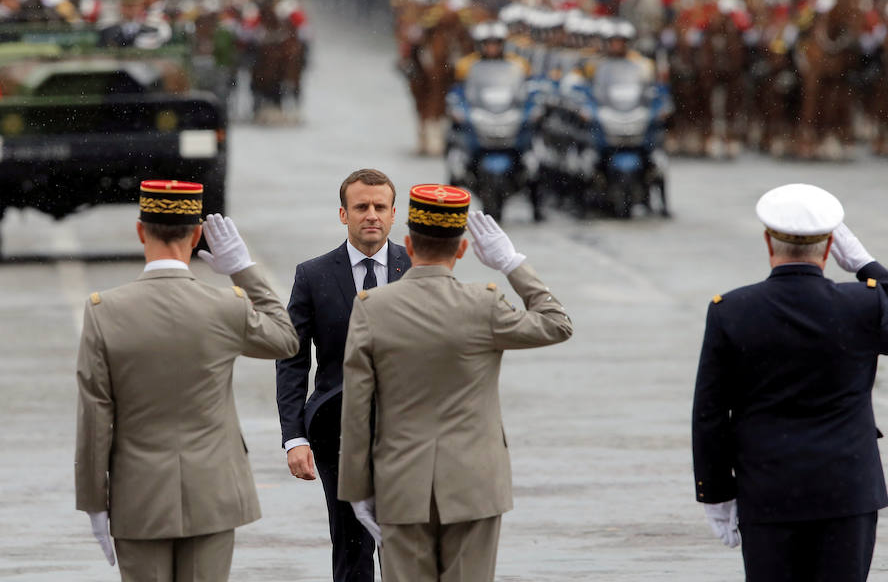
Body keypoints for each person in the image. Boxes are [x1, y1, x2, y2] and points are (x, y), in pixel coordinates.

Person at [338, 184, 573, 581]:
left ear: (408, 244)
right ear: (462, 250)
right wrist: (512, 263)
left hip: (400, 483)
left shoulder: (372, 308)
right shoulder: (485, 304)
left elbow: (357, 409)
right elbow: (557, 323)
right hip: (474, 484)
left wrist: (356, 490)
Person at [74, 180, 299, 581]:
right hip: (213, 493)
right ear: (197, 235)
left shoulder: (104, 312)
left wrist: (93, 501)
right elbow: (285, 340)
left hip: (138, 497)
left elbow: (95, 417)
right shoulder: (225, 306)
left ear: (141, 230)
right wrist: (243, 271)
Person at [692, 183, 888, 582]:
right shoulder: (863, 304)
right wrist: (866, 264)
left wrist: (715, 492)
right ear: (828, 249)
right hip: (847, 489)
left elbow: (710, 413)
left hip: (768, 490)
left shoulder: (731, 310)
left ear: (768, 243)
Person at [275, 169, 412, 582]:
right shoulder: (313, 275)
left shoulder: (417, 270)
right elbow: (292, 359)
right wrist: (294, 437)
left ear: (393, 215)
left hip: (408, 429)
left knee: (408, 543)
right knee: (352, 544)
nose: (371, 215)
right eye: (361, 207)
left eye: (379, 207)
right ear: (343, 214)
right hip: (336, 430)